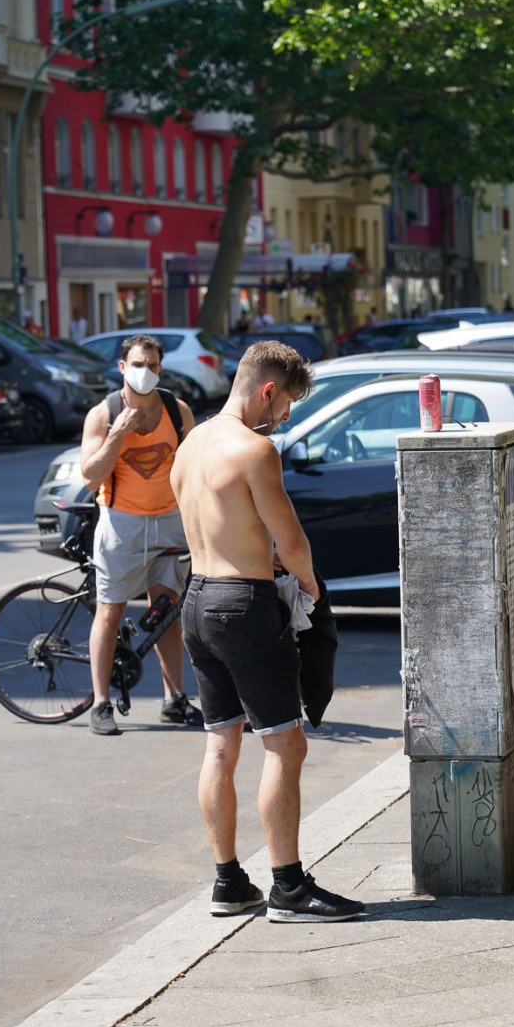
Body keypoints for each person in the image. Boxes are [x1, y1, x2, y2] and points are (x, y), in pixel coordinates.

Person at [171, 340, 365, 923]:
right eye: (285, 407)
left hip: (196, 600)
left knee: (220, 744)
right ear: (268, 390)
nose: (282, 419)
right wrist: (310, 589)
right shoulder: (256, 450)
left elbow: (219, 525)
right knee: (285, 743)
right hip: (243, 607)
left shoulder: (191, 444)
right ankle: (289, 888)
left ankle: (229, 882)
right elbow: (293, 542)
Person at [80, 334, 202, 735]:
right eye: (137, 364)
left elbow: (194, 468)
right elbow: (90, 478)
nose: (145, 372)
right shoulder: (103, 414)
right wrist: (117, 433)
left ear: (161, 369)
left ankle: (174, 699)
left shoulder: (176, 410)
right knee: (110, 611)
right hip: (122, 523)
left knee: (167, 613)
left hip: (170, 520)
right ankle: (101, 704)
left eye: (152, 365)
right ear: (122, 367)